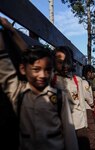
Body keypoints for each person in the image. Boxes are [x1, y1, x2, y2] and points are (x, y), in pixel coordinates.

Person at [0, 17, 78, 150]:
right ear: (23, 69)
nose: (42, 75)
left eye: (47, 69)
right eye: (36, 69)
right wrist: (11, 30)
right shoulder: (19, 92)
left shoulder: (59, 95)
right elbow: (11, 61)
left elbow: (69, 133)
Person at [52, 46, 90, 150]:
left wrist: (85, 124)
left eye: (66, 61)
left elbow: (82, 103)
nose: (63, 65)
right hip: (61, 126)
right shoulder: (52, 79)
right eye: (59, 62)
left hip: (79, 124)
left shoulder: (77, 80)